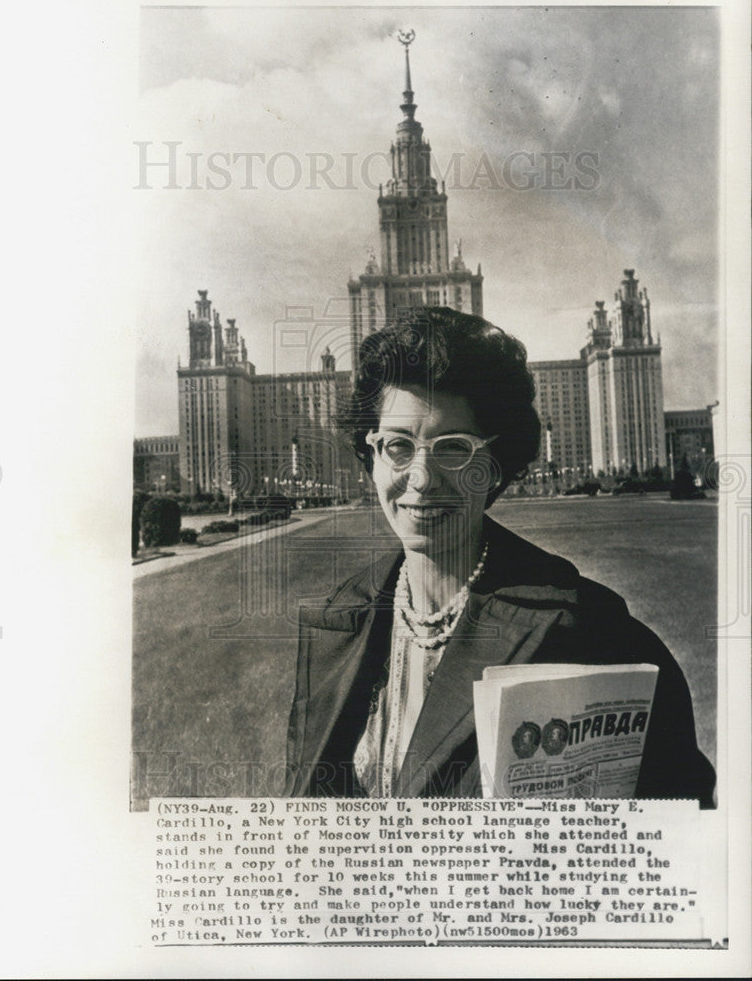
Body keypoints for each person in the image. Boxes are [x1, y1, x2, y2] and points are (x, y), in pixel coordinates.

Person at [285, 307, 715, 804]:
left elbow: (682, 840)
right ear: (373, 458)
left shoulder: (592, 634)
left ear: (494, 465)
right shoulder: (335, 628)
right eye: (399, 446)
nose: (421, 480)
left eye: (453, 448)